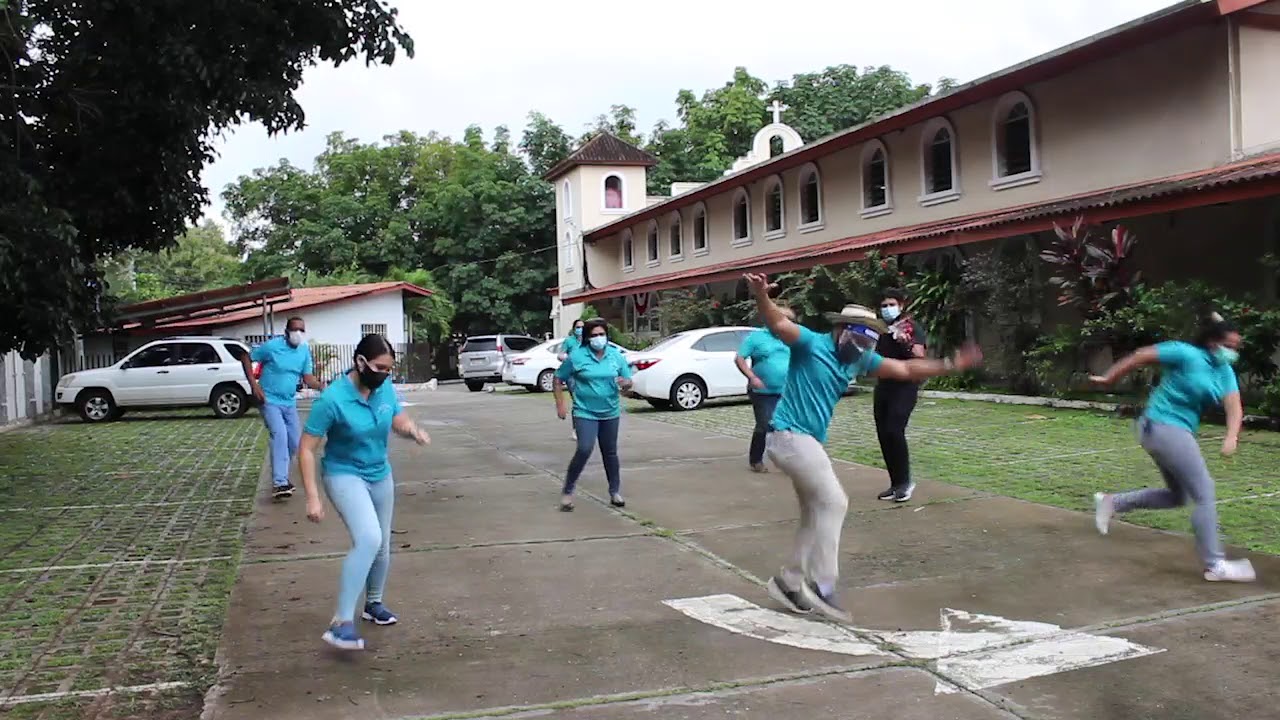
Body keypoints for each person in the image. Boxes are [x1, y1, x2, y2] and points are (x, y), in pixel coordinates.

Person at [743, 272, 982, 623]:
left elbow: (904, 367)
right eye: (858, 338)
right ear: (841, 330)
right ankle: (823, 586)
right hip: (788, 436)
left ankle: (789, 581)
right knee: (835, 501)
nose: (863, 347)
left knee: (815, 512)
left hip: (806, 443)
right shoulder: (811, 343)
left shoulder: (857, 359)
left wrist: (949, 364)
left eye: (869, 342)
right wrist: (761, 296)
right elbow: (779, 324)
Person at [1091, 313, 1256, 583]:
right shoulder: (1186, 354)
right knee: (1205, 492)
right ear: (1212, 342)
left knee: (1178, 496)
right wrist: (1110, 378)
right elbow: (1141, 355)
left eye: (1236, 347)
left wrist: (1231, 436)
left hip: (1173, 431)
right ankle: (1215, 564)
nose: (1232, 352)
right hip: (1162, 425)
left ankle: (1112, 502)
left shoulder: (1224, 371)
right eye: (1228, 345)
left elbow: (1234, 406)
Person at [298, 334, 431, 651]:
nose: (386, 374)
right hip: (344, 474)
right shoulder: (332, 399)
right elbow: (305, 449)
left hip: (379, 473)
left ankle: (374, 604)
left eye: (389, 369)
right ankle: (341, 622)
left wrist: (411, 430)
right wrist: (313, 496)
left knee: (383, 544)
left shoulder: (383, 387)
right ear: (360, 362)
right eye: (380, 367)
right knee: (369, 538)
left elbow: (395, 416)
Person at [553, 318, 633, 512]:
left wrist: (626, 385)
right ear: (587, 338)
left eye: (602, 334)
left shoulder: (616, 356)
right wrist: (560, 405)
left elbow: (628, 383)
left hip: (610, 411)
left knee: (610, 452)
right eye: (594, 335)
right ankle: (568, 490)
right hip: (585, 411)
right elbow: (558, 378)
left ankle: (615, 491)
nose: (599, 338)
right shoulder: (577, 356)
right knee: (584, 448)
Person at [241, 316, 325, 499]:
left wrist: (321, 386)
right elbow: (246, 357)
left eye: (302, 330)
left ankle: (282, 476)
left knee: (295, 442)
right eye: (295, 330)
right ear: (286, 332)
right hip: (269, 400)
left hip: (289, 402)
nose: (298, 334)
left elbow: (307, 377)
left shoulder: (303, 351)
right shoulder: (272, 347)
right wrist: (254, 386)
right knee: (279, 435)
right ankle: (280, 482)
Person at [872, 289, 927, 502]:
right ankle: (895, 484)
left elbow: (920, 355)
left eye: (891, 304)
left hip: (905, 386)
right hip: (884, 384)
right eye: (884, 305)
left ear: (901, 305)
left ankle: (906, 482)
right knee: (884, 434)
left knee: (895, 431)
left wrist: (905, 341)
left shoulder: (911, 327)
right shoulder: (880, 329)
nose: (887, 309)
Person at [735, 308, 795, 472]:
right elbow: (739, 358)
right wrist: (752, 377)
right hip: (762, 392)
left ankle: (789, 461)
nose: (786, 324)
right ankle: (756, 460)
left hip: (787, 389)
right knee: (765, 424)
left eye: (789, 321)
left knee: (787, 425)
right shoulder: (756, 337)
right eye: (783, 320)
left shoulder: (789, 338)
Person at [557, 318, 586, 440]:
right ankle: (576, 429)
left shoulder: (587, 342)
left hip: (585, 375)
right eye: (578, 327)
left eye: (582, 327)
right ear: (574, 329)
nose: (580, 329)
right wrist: (566, 358)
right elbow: (560, 354)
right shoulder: (569, 341)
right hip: (572, 376)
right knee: (577, 401)